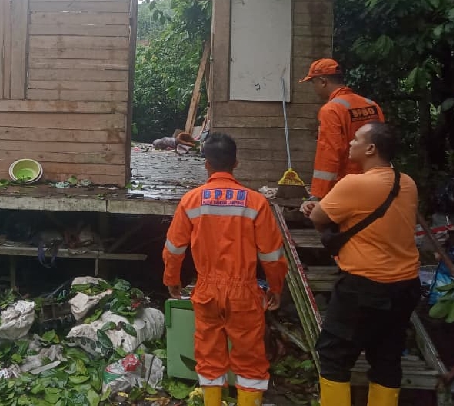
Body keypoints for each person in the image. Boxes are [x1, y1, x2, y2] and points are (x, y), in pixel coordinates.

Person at [163, 133, 288, 406]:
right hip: (244, 293)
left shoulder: (191, 200)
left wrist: (172, 279)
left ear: (206, 164)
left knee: (209, 357)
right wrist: (275, 287)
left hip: (206, 290)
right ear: (236, 163)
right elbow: (272, 254)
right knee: (250, 360)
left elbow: (174, 248)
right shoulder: (256, 202)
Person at [302, 122, 420, 406]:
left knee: (334, 357)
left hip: (363, 287)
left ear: (371, 149)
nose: (350, 144)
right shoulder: (407, 183)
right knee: (387, 360)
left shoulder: (354, 184)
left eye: (356, 139)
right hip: (405, 287)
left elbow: (319, 218)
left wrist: (314, 208)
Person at [299, 58, 384, 201]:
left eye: (313, 83)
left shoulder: (331, 110)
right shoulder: (372, 105)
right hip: (377, 183)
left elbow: (329, 153)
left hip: (348, 188)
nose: (314, 88)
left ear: (323, 81)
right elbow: (384, 143)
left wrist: (319, 195)